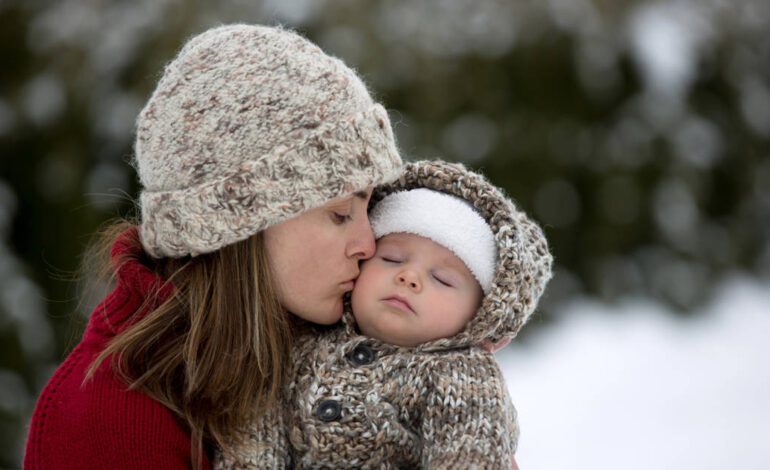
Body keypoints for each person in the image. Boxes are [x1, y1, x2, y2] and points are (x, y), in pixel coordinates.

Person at [24, 24, 403, 469]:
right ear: (239, 223)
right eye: (340, 214)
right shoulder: (111, 422)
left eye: (369, 209)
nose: (366, 243)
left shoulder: (337, 357)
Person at [215, 160, 553, 469]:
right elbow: (254, 438)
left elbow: (471, 449)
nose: (409, 278)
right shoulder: (298, 345)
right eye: (391, 259)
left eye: (442, 279)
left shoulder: (460, 373)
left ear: (478, 317)